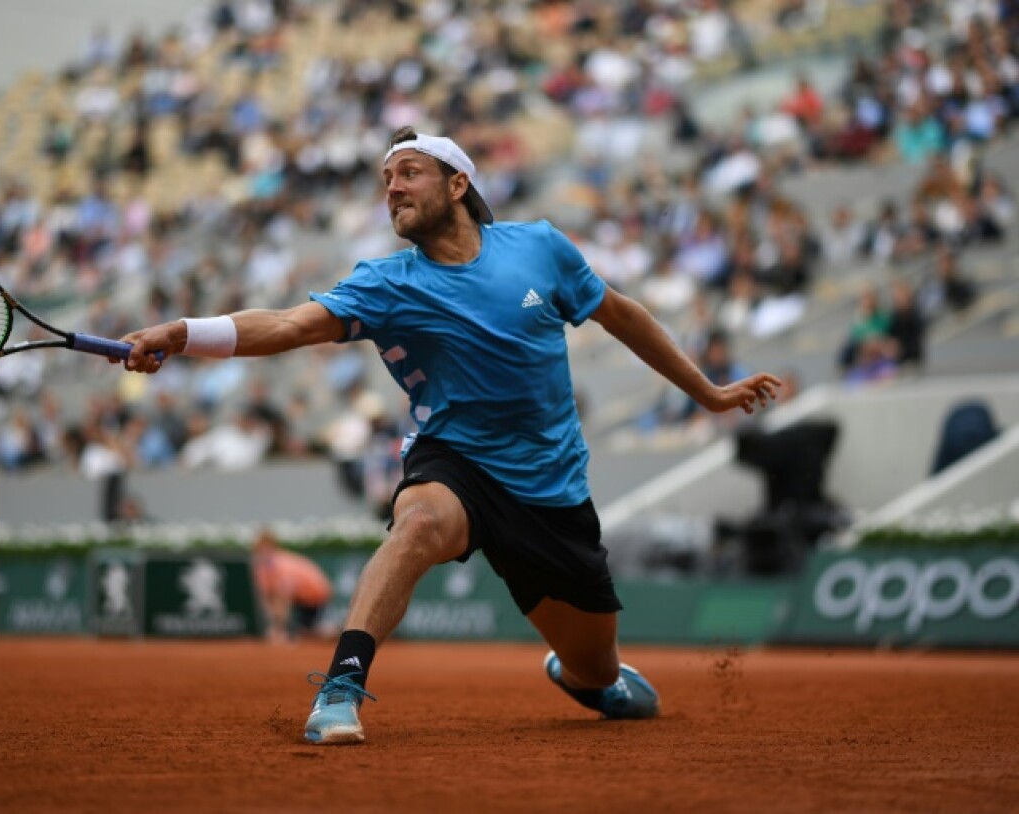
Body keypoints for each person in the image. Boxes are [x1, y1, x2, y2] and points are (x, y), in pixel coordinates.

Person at [117, 128, 781, 745]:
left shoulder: (540, 247)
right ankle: (341, 687)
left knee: (596, 670)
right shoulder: (386, 282)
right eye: (386, 180)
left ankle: (587, 677)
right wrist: (181, 333)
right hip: (457, 461)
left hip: (551, 489)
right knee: (418, 524)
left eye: (409, 172)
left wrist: (708, 392)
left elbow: (622, 315)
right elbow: (288, 325)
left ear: (458, 183)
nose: (393, 188)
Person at [251, 529, 335, 643]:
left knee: (306, 632)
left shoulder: (280, 564)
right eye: (260, 549)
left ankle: (331, 631)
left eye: (266, 548)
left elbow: (284, 597)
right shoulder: (263, 567)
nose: (263, 553)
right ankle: (322, 630)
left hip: (315, 595)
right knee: (304, 631)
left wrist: (279, 628)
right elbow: (267, 597)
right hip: (305, 597)